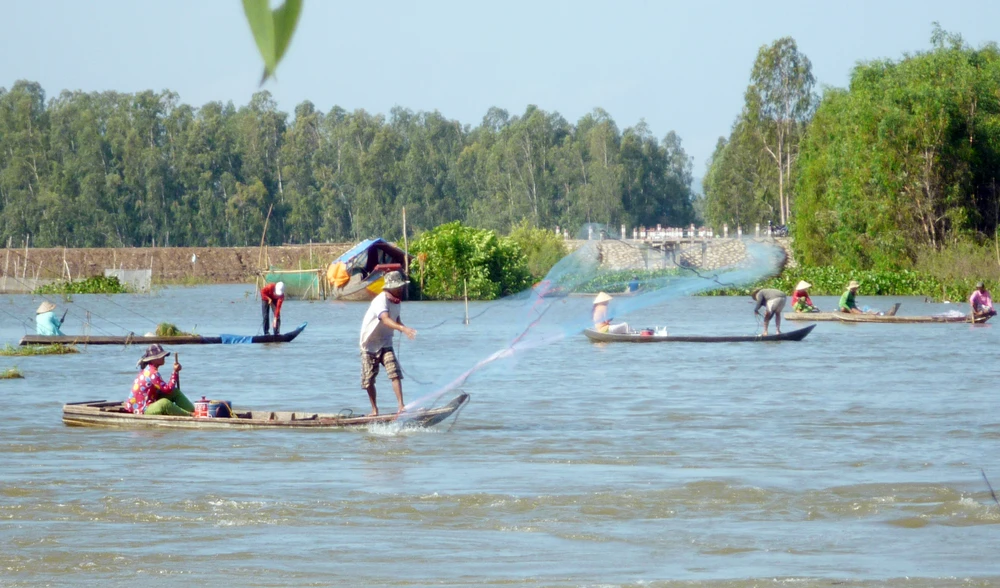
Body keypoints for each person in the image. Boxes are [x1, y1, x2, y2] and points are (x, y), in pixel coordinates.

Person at [359, 271, 416, 416]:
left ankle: (401, 406)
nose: (401, 289)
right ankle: (374, 410)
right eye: (399, 287)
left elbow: (396, 320)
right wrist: (402, 328)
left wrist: (405, 329)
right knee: (369, 380)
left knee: (395, 373)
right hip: (369, 344)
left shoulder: (396, 302)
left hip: (385, 342)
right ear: (391, 287)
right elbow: (385, 319)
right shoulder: (380, 300)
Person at [123, 344, 194, 416]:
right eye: (160, 356)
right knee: (164, 403)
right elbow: (168, 389)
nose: (163, 357)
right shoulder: (152, 373)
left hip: (151, 401)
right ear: (153, 359)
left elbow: (167, 390)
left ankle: (194, 411)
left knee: (174, 392)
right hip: (141, 408)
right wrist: (175, 372)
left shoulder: (151, 370)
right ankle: (190, 415)